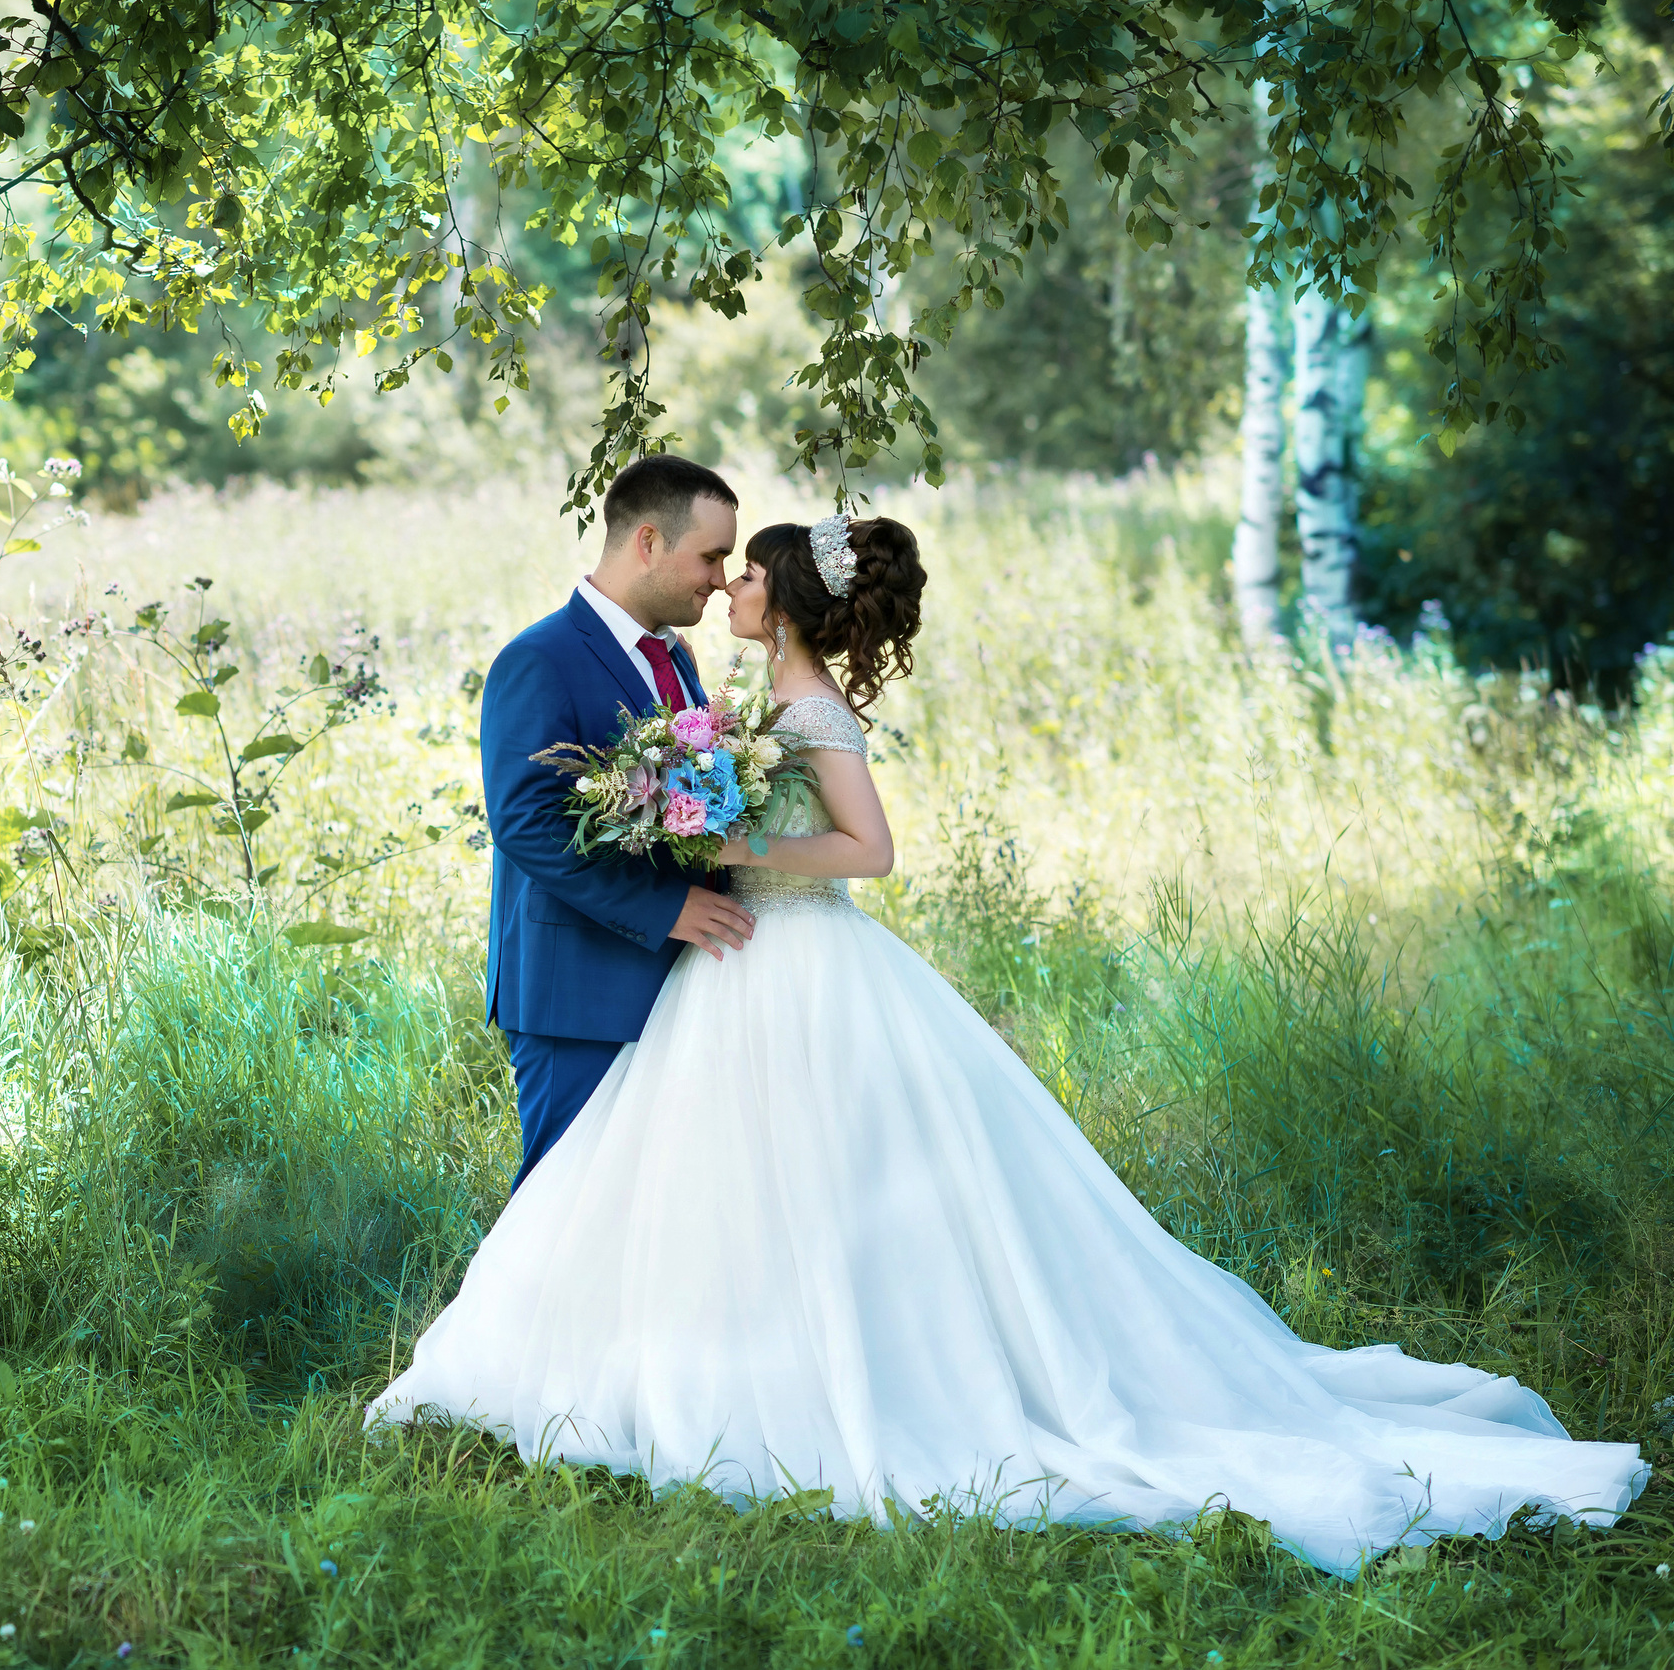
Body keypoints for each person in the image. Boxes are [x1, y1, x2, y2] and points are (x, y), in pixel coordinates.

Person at [373, 513, 1651, 1577]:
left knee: (829, 1188)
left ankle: (835, 1380)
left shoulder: (809, 711)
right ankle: (723, 1361)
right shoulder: (747, 698)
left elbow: (868, 849)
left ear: (789, 601)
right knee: (738, 1188)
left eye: (747, 571)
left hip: (801, 960)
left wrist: (729, 839)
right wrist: (697, 823)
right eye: (726, 564)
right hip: (737, 967)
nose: (731, 586)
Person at [478, 453, 758, 1187]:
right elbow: (526, 823)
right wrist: (667, 908)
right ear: (648, 542)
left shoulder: (676, 660)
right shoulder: (538, 659)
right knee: (564, 1202)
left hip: (675, 982)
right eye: (711, 555)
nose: (720, 579)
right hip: (578, 990)